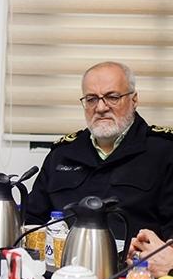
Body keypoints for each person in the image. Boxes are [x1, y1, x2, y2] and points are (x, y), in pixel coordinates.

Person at [25, 61, 173, 242]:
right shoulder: (61, 154)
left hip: (136, 259)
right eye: (91, 99)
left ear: (134, 100)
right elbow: (32, 221)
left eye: (112, 97)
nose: (101, 108)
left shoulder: (164, 151)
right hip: (66, 258)